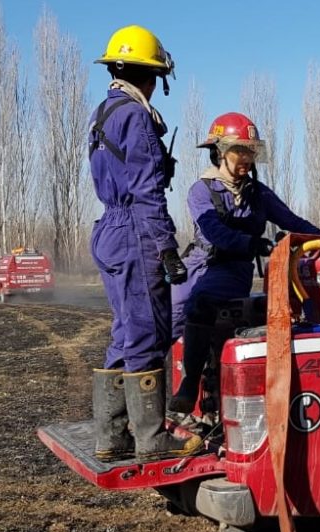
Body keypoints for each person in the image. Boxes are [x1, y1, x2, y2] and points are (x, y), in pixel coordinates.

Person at [168, 112, 320, 414]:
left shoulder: (258, 194)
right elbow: (214, 233)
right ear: (220, 151)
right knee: (162, 323)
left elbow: (291, 220)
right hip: (198, 262)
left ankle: (190, 386)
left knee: (201, 304)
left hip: (230, 268)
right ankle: (150, 412)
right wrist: (252, 242)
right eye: (239, 150)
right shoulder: (201, 191)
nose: (246, 158)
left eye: (250, 152)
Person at [88, 25, 198, 462]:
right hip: (135, 230)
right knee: (148, 334)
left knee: (124, 332)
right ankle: (152, 439)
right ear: (149, 75)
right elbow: (147, 190)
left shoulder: (104, 112)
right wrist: (167, 248)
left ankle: (111, 437)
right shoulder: (136, 116)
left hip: (109, 231)